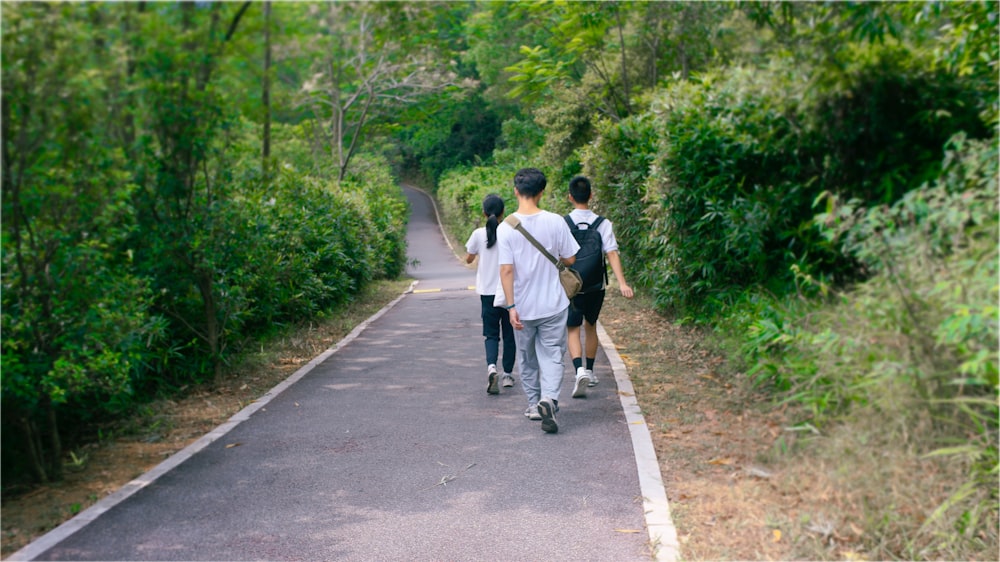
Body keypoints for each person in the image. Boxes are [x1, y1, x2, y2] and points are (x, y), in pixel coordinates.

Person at [497, 168, 580, 434]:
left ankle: (534, 405)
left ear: (515, 191)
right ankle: (550, 400)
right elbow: (570, 260)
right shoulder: (556, 221)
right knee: (553, 354)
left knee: (527, 357)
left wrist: (510, 307)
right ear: (541, 192)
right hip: (554, 304)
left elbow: (506, 270)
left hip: (522, 307)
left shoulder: (505, 227)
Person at [564, 175, 634, 399]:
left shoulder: (563, 222)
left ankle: (579, 371)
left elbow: (558, 255)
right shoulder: (603, 223)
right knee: (591, 325)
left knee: (572, 328)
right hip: (596, 285)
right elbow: (611, 253)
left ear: (570, 197)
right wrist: (622, 283)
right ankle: (591, 371)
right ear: (591, 196)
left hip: (572, 285)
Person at [465, 194, 516, 395]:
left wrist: (474, 256)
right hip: (508, 290)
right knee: (510, 334)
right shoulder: (510, 231)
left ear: (484, 213)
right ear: (503, 212)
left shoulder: (478, 234)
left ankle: (492, 367)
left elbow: (469, 259)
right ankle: (508, 375)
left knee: (491, 334)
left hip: (487, 292)